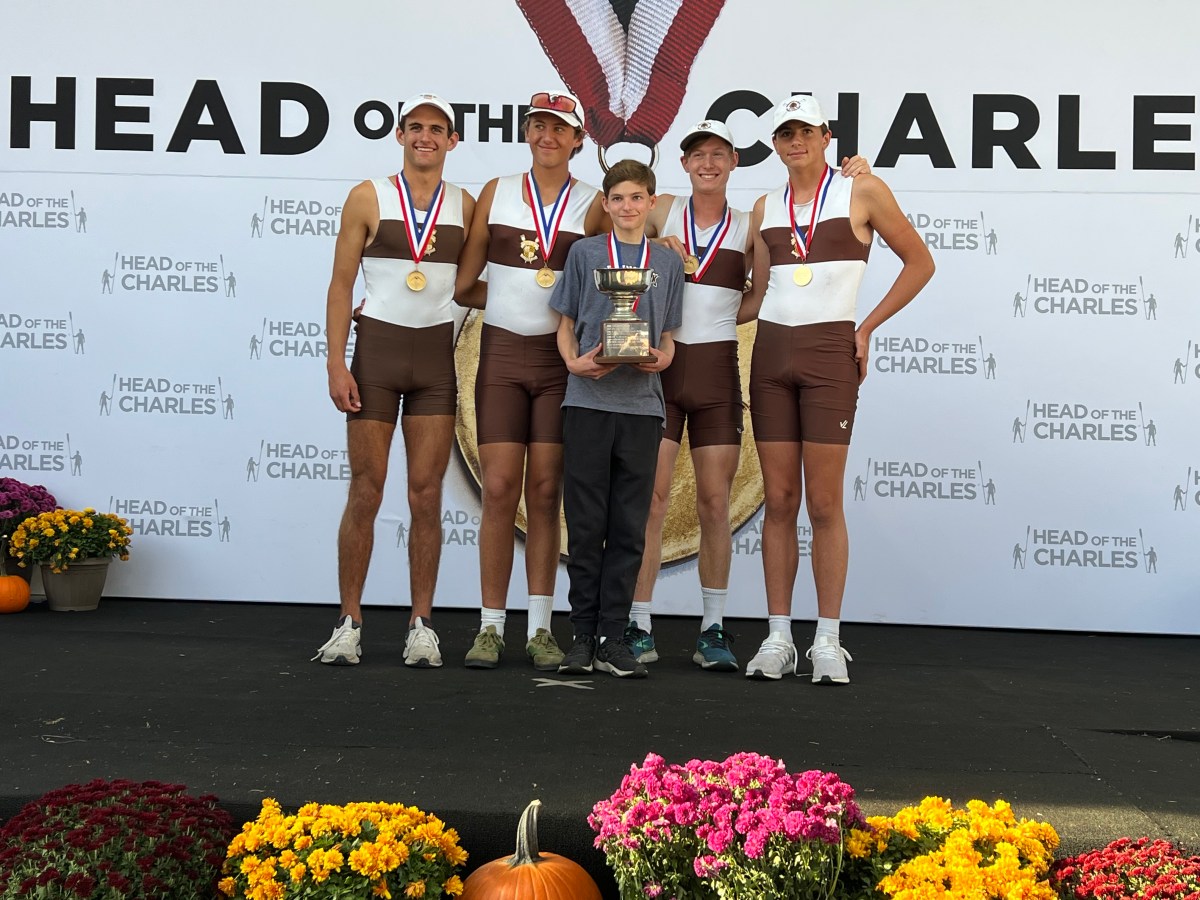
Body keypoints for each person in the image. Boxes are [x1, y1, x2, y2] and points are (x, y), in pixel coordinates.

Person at [626, 120, 871, 673]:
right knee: (652, 501)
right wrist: (652, 255)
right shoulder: (659, 209)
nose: (707, 163)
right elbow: (610, 223)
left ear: (734, 162)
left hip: (715, 370)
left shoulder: (751, 223)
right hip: (657, 371)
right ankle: (638, 623)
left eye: (718, 154)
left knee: (715, 504)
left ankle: (713, 628)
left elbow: (762, 293)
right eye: (697, 155)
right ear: (683, 163)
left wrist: (710, 319)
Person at [739, 95, 934, 684]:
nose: (794, 141)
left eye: (804, 131)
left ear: (826, 136)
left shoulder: (863, 191)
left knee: (823, 503)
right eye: (783, 134)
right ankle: (777, 637)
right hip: (771, 351)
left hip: (829, 352)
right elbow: (750, 291)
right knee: (777, 502)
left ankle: (827, 639)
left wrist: (867, 328)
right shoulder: (763, 206)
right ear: (774, 144)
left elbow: (920, 262)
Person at [314, 93, 474, 668]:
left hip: (434, 361)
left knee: (425, 494)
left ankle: (421, 625)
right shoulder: (367, 196)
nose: (425, 137)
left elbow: (486, 279)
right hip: (376, 356)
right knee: (367, 488)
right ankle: (349, 620)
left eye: (437, 129)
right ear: (401, 135)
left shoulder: (467, 204)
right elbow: (340, 284)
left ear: (452, 141)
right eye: (415, 127)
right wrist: (336, 361)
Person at [453, 91, 606, 671]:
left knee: (545, 495)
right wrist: (516, 299)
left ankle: (541, 628)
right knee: (498, 491)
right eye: (538, 125)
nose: (547, 135)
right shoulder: (496, 192)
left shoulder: (592, 204)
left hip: (555, 363)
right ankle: (491, 627)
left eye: (558, 128)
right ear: (529, 133)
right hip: (500, 358)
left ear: (577, 140)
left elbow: (603, 277)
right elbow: (466, 285)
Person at [550, 159, 684, 678]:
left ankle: (614, 635)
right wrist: (572, 362)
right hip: (586, 401)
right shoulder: (584, 254)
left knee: (629, 528)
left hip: (642, 407)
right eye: (619, 197)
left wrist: (666, 357)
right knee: (585, 526)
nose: (628, 206)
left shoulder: (667, 264)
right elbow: (564, 324)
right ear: (605, 204)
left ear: (652, 204)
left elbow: (668, 333)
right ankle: (582, 636)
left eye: (638, 197)